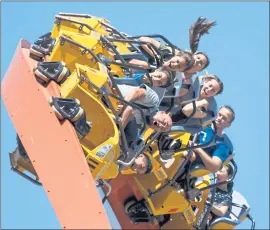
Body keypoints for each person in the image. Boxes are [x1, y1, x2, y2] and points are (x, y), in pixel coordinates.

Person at [130, 17, 215, 77]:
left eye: (201, 63)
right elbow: (143, 40)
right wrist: (155, 56)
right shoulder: (172, 52)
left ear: (199, 70)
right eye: (198, 58)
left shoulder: (182, 81)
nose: (197, 61)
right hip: (132, 57)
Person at [189, 105, 235, 173]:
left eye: (224, 118)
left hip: (189, 159)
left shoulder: (223, 144)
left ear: (228, 125)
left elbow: (214, 167)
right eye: (219, 115)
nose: (219, 118)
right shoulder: (202, 121)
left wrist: (198, 149)